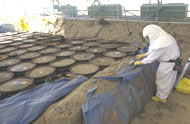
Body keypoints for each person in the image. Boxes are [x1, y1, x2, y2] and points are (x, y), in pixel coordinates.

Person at [134, 24, 180, 103]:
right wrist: (145, 54)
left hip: (167, 64)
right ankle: (165, 94)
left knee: (162, 80)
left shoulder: (162, 42)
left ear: (152, 34)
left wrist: (142, 61)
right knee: (169, 80)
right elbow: (155, 49)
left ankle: (161, 97)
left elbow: (154, 55)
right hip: (172, 62)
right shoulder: (165, 37)